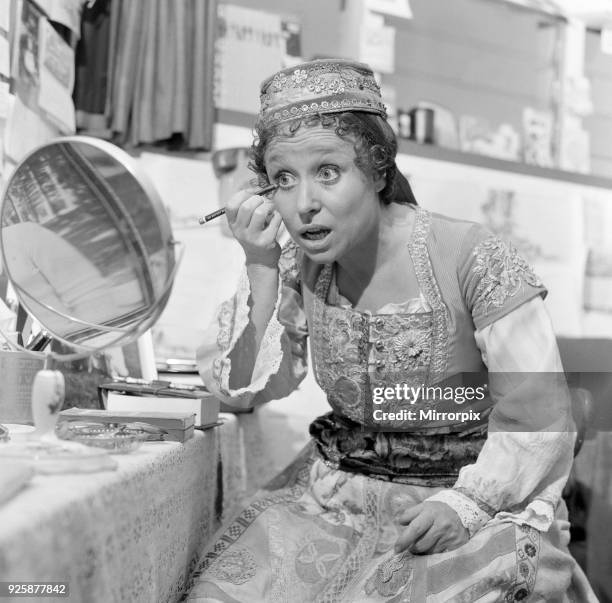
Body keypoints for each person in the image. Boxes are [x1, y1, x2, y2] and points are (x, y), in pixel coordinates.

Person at [190, 59, 596, 601]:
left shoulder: (473, 258)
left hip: (471, 500)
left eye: (328, 172)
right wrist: (260, 267)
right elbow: (239, 396)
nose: (304, 201)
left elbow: (541, 410)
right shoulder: (296, 268)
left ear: (379, 170)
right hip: (338, 500)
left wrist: (468, 504)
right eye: (283, 178)